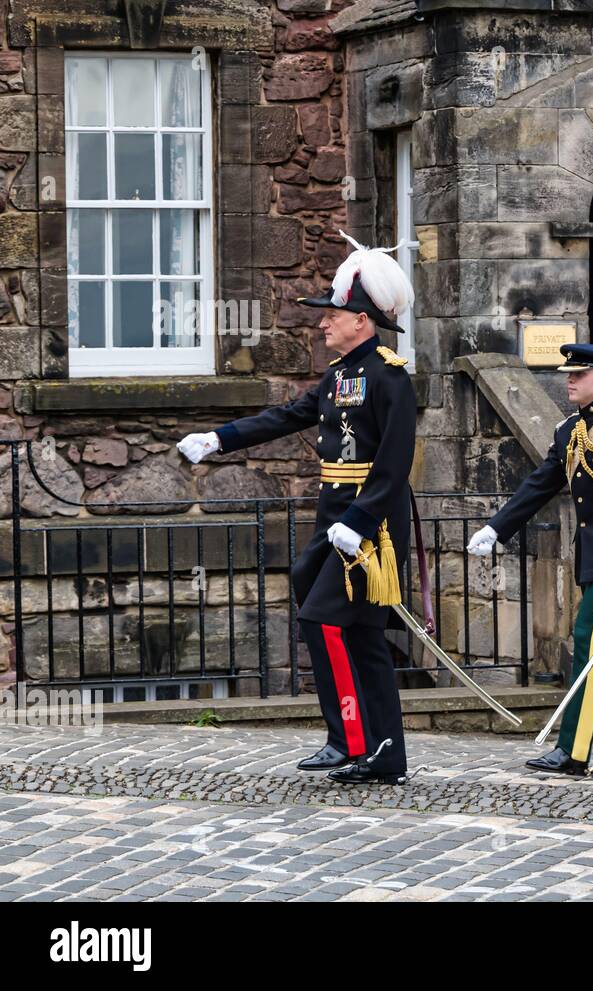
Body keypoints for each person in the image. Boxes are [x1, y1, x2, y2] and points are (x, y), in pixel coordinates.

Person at [177, 233, 417, 786]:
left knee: (321, 618)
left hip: (368, 527)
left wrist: (358, 525)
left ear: (361, 319)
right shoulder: (337, 376)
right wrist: (219, 437)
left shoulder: (388, 376)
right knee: (359, 635)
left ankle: (347, 739)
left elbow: (393, 464)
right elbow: (287, 416)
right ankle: (381, 753)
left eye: (332, 314)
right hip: (332, 520)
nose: (323, 323)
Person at [468, 344, 593, 780]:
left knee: (587, 641)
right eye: (569, 374)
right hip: (592, 557)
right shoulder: (569, 431)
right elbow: (539, 486)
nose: (569, 381)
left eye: (580, 374)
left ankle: (573, 751)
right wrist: (496, 528)